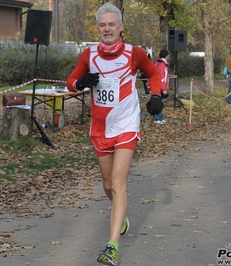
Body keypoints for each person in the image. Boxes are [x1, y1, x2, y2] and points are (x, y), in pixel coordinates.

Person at [66, 3, 163, 265]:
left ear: (121, 26)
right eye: (102, 25)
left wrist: (156, 95)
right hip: (100, 128)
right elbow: (71, 81)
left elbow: (153, 74)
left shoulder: (134, 53)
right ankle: (121, 216)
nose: (107, 29)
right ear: (97, 27)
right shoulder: (89, 54)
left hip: (126, 125)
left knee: (119, 181)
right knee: (108, 185)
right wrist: (81, 82)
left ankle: (112, 246)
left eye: (112, 24)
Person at [153, 49, 169, 124]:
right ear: (166, 56)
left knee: (159, 102)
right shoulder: (162, 65)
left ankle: (160, 117)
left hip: (157, 85)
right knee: (159, 102)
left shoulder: (158, 63)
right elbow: (162, 77)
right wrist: (164, 88)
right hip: (159, 86)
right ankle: (157, 118)